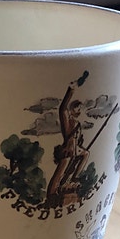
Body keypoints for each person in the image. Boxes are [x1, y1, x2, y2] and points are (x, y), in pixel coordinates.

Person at [47, 72, 90, 205]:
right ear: (71, 110)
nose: (79, 110)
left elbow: (79, 138)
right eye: (77, 108)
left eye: (80, 108)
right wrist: (71, 90)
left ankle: (75, 177)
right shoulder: (68, 120)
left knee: (86, 154)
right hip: (68, 148)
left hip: (76, 148)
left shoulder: (77, 123)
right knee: (62, 169)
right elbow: (62, 108)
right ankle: (52, 193)